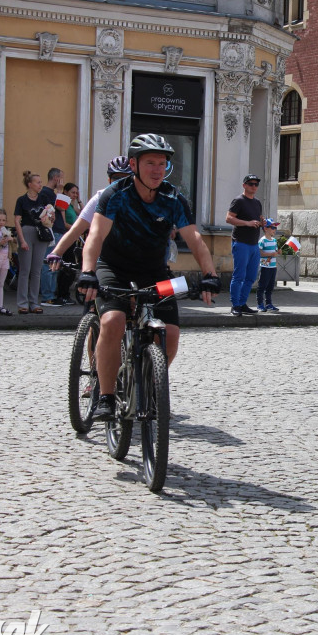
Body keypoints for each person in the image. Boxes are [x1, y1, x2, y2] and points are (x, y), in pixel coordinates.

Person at [78, 133, 220, 421]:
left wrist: (210, 275)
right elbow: (95, 236)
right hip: (113, 269)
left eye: (162, 163)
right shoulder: (115, 194)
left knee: (171, 333)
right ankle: (105, 396)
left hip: (155, 273)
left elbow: (195, 240)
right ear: (134, 164)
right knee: (113, 320)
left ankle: (148, 379)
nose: (157, 170)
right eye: (150, 163)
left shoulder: (172, 198)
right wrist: (88, 272)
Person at [47, 156, 133, 272]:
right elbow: (77, 229)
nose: (120, 183)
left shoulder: (143, 199)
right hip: (106, 259)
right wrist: (56, 253)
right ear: (109, 180)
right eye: (116, 178)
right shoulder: (100, 197)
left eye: (125, 179)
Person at [13, 171, 54, 314]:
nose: (40, 185)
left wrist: (50, 216)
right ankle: (22, 303)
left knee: (37, 271)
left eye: (41, 182)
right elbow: (17, 221)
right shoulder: (21, 200)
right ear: (30, 184)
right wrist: (22, 240)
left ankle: (34, 302)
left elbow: (51, 217)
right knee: (25, 270)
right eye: (38, 182)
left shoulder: (43, 198)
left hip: (41, 234)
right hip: (27, 232)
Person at [225, 174, 265, 317]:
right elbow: (229, 218)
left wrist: (263, 223)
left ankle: (242, 303)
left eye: (256, 184)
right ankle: (235, 305)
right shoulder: (238, 200)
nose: (253, 186)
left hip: (254, 244)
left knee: (251, 277)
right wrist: (247, 223)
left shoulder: (257, 202)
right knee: (239, 276)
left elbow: (258, 219)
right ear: (244, 185)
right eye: (250, 184)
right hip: (241, 243)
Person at [40, 167, 66, 306]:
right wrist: (60, 191)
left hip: (59, 231)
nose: (62, 181)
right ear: (56, 178)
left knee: (56, 265)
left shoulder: (52, 193)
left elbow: (64, 207)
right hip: (53, 231)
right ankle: (47, 296)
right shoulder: (46, 193)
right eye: (61, 177)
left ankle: (52, 294)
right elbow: (61, 207)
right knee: (49, 264)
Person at [256, 220, 280, 312]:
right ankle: (260, 304)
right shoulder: (262, 240)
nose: (275, 230)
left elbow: (275, 252)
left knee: (270, 286)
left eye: (275, 228)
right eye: (273, 227)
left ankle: (269, 303)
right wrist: (270, 254)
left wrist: (278, 253)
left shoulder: (274, 240)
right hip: (265, 266)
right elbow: (259, 252)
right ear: (266, 229)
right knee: (262, 285)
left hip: (273, 267)